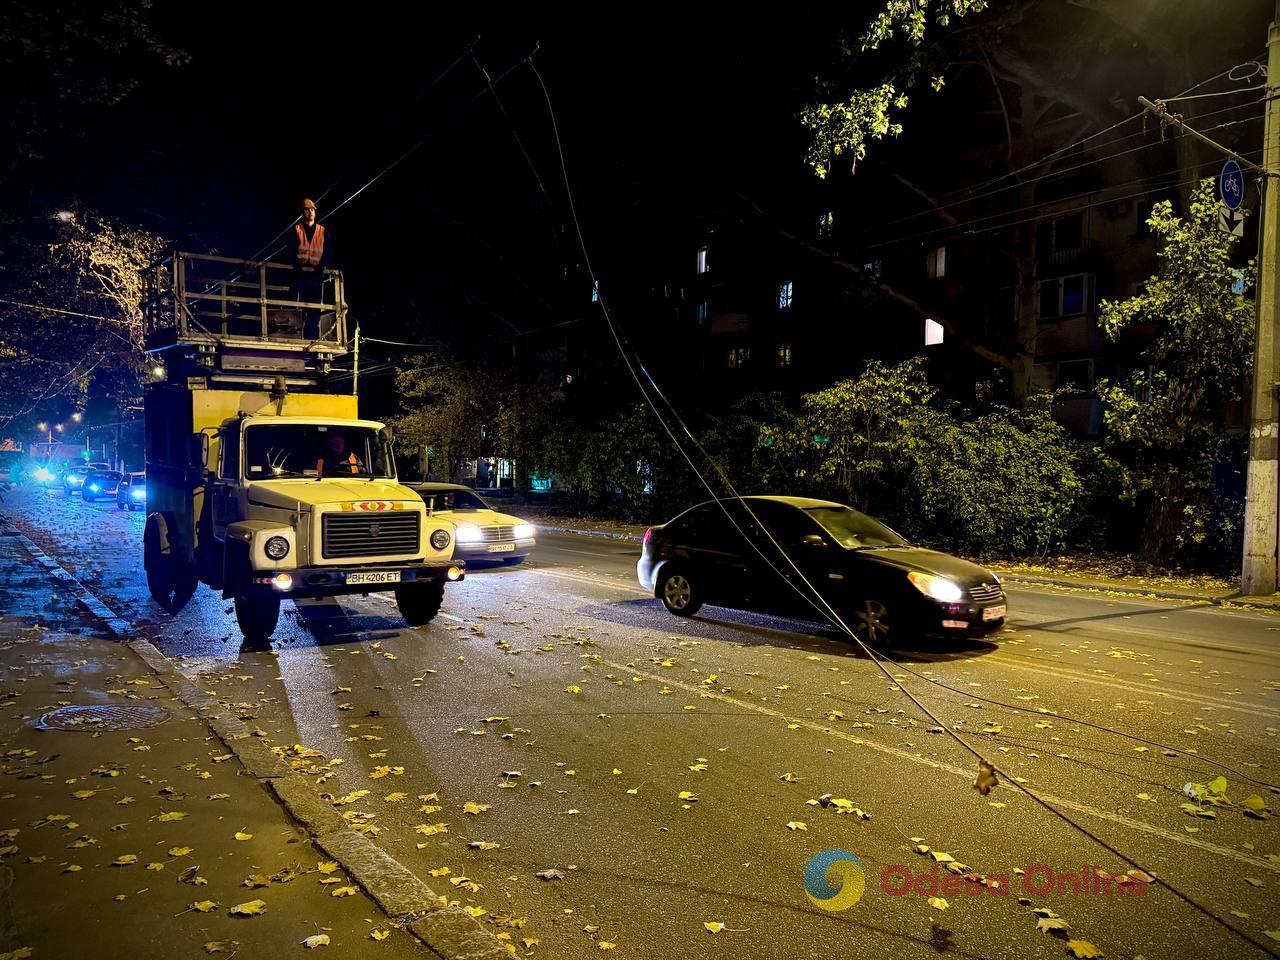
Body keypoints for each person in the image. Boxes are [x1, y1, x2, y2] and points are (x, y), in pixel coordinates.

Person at [287, 198, 331, 340]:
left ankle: (311, 338)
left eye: (312, 209)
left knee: (314, 309)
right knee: (298, 306)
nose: (311, 212)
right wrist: (297, 266)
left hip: (315, 275)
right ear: (302, 212)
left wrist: (321, 267)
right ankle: (296, 335)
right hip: (300, 274)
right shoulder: (296, 230)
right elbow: (291, 251)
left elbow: (328, 252)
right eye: (308, 209)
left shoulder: (323, 231)